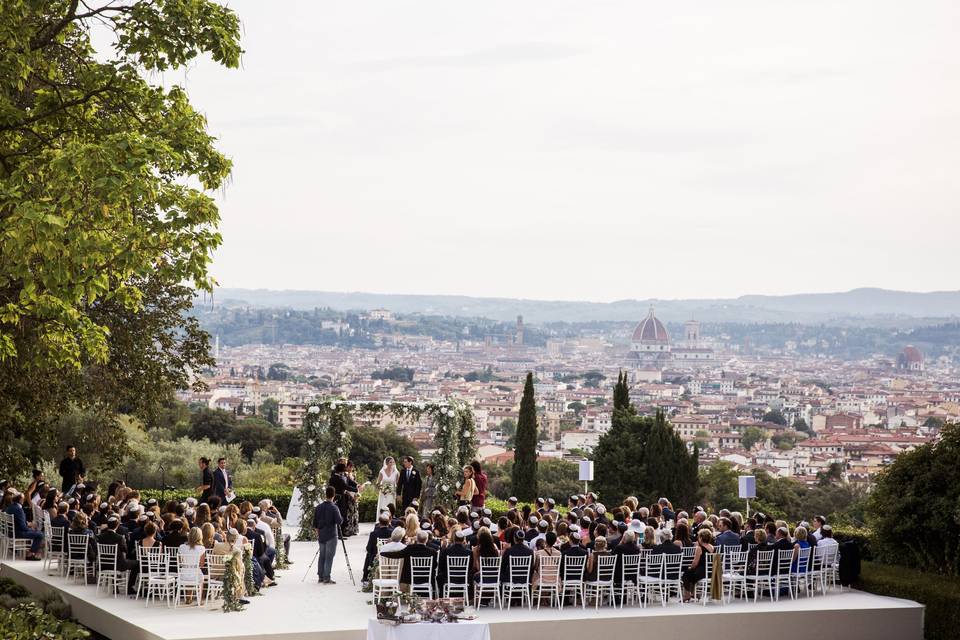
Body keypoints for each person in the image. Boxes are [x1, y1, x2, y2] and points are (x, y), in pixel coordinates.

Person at [313, 485, 343, 584]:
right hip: (331, 535)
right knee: (329, 557)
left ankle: (320, 576)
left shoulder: (318, 507)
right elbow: (339, 521)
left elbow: (315, 523)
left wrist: (318, 533)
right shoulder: (334, 507)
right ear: (333, 495)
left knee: (322, 556)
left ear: (325, 494)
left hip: (321, 534)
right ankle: (326, 577)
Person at [5, 491, 43, 560]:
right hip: (18, 532)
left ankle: (30, 552)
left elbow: (18, 521)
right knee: (40, 534)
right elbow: (23, 527)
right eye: (23, 498)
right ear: (20, 500)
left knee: (36, 532)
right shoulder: (19, 509)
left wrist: (27, 523)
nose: (24, 499)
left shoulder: (9, 507)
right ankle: (30, 554)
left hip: (11, 532)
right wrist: (31, 528)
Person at [681, 528, 715, 602]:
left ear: (701, 538)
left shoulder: (699, 548)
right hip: (710, 571)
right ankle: (694, 593)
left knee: (685, 574)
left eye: (699, 536)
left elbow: (695, 563)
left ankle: (687, 595)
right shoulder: (712, 547)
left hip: (701, 572)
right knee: (691, 574)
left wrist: (690, 567)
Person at [362, 512, 394, 583]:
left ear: (379, 523)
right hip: (389, 556)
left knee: (369, 554)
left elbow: (368, 548)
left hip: (376, 557)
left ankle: (366, 576)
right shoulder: (392, 532)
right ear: (389, 522)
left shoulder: (373, 534)